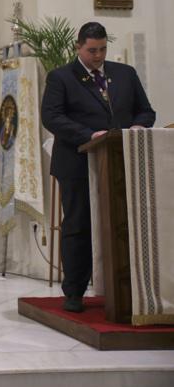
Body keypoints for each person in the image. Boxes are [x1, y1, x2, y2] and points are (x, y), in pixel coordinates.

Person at [41, 22, 155, 313]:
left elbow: (146, 110)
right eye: (92, 50)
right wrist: (89, 136)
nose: (98, 56)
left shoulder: (124, 75)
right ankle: (75, 292)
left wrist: (138, 127)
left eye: (103, 49)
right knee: (78, 225)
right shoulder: (62, 77)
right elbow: (52, 117)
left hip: (121, 160)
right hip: (78, 162)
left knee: (124, 224)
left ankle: (127, 289)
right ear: (78, 47)